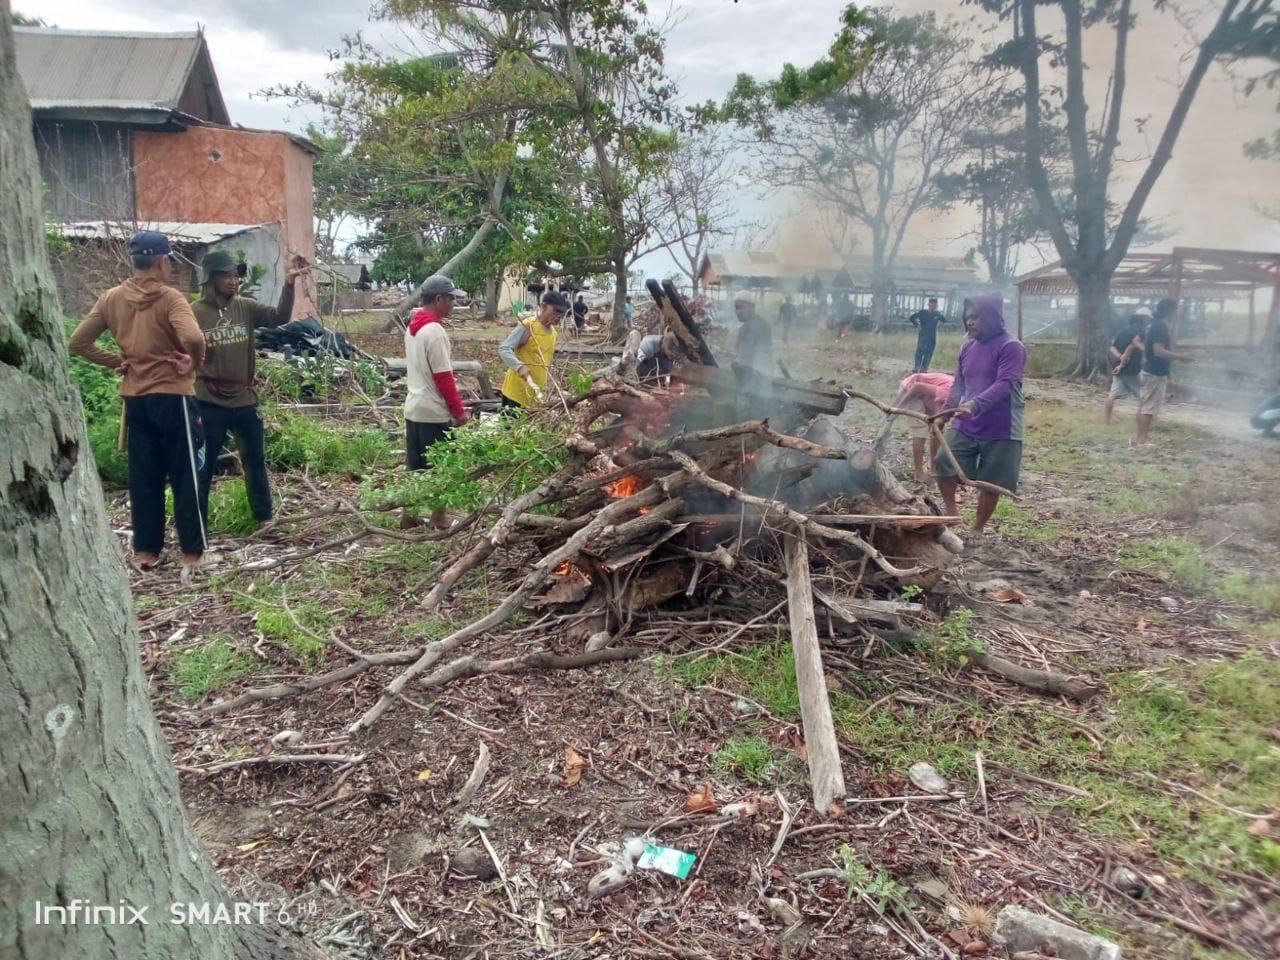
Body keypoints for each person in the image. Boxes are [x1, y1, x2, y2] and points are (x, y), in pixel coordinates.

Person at [69, 231, 207, 570]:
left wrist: (117, 361)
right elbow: (193, 337)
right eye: (169, 262)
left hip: (136, 400)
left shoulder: (112, 298)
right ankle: (192, 552)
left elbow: (78, 343)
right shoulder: (171, 299)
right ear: (161, 261)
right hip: (174, 396)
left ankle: (146, 552)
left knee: (144, 476)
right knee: (187, 473)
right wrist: (194, 361)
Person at [192, 249, 306, 532]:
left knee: (255, 462)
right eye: (227, 276)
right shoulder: (193, 314)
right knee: (203, 467)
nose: (234, 281)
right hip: (208, 400)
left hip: (245, 399)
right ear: (211, 278)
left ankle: (265, 520)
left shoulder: (245, 307)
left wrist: (289, 284)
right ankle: (196, 527)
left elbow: (278, 317)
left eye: (236, 276)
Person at [935, 294, 1026, 534]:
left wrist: (975, 404)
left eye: (975, 317)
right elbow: (958, 384)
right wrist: (945, 413)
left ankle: (978, 528)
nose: (970, 322)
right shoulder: (968, 346)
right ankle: (951, 514)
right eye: (967, 318)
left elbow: (1005, 383)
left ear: (992, 318)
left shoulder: (1011, 346)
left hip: (1002, 425)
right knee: (944, 462)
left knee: (991, 481)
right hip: (967, 421)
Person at [404, 275, 471, 527]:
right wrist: (459, 411)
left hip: (414, 407)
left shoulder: (414, 327)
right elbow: (444, 377)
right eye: (452, 298)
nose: (454, 303)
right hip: (433, 411)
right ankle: (439, 517)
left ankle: (409, 515)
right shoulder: (434, 331)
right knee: (443, 466)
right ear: (439, 299)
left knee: (416, 466)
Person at [1134, 297, 1193, 447]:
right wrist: (1181, 357)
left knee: (1143, 406)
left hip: (1149, 370)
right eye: (1176, 310)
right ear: (1170, 311)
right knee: (1149, 408)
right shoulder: (1160, 326)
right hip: (1155, 372)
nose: (1176, 314)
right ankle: (1143, 441)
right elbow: (1158, 351)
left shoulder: (1154, 324)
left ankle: (1137, 438)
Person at [499, 290, 569, 411]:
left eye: (561, 313)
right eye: (555, 311)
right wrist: (519, 367)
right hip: (516, 393)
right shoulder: (528, 326)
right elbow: (504, 348)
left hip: (536, 394)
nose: (559, 316)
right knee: (510, 429)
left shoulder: (553, 334)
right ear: (543, 307)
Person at [893, 371, 955, 481]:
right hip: (911, 391)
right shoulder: (949, 392)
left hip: (927, 397)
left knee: (937, 429)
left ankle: (933, 468)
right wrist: (897, 408)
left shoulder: (956, 399)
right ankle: (918, 472)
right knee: (920, 431)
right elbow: (917, 387)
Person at [1104, 308, 1148, 425]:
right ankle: (1143, 424)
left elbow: (1111, 347)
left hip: (1118, 367)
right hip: (1132, 369)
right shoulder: (1141, 333)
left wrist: (1120, 357)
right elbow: (1132, 347)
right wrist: (1125, 359)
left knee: (1112, 395)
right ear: (1143, 320)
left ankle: (1106, 422)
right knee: (1143, 397)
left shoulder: (1122, 332)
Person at [734, 297, 773, 374]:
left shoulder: (746, 328)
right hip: (766, 374)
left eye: (741, 307)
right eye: (736, 308)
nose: (738, 311)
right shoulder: (764, 324)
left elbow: (745, 360)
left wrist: (736, 366)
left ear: (752, 307)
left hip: (751, 377)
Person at [909, 297, 947, 372]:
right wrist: (917, 325)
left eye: (935, 303)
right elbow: (912, 318)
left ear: (936, 305)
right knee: (920, 351)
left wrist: (938, 326)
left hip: (932, 337)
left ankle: (924, 369)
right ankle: (917, 367)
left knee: (928, 353)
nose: (933, 305)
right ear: (928, 304)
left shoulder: (937, 314)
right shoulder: (923, 312)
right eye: (932, 303)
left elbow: (944, 320)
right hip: (923, 335)